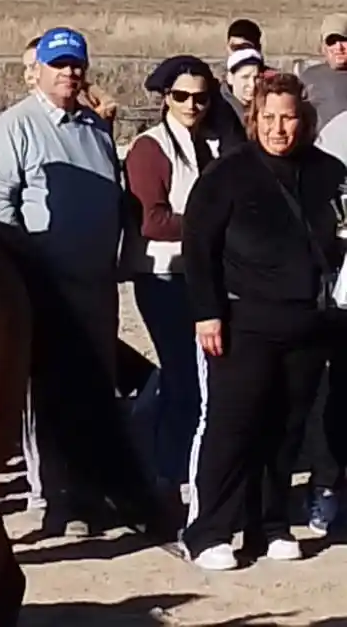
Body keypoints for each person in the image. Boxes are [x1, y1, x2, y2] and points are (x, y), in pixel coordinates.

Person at [182, 72, 347, 571]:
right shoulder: (228, 173)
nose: (280, 129)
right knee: (234, 428)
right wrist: (207, 312)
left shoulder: (328, 172)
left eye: (290, 118)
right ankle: (209, 530)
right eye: (269, 118)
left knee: (287, 427)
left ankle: (270, 525)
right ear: (254, 119)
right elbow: (198, 247)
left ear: (306, 120)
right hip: (243, 321)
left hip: (309, 321)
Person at [0, 27, 123, 535]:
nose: (68, 73)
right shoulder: (13, 127)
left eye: (75, 64)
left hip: (98, 284)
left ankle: (92, 487)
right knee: (52, 393)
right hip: (45, 286)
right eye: (58, 64)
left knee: (95, 389)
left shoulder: (95, 128)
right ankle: (59, 498)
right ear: (36, 69)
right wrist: (27, 274)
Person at [122, 56, 242, 503]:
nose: (192, 105)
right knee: (183, 376)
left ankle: (159, 452)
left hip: (200, 272)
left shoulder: (212, 142)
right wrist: (210, 224)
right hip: (163, 274)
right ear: (164, 98)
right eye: (181, 96)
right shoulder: (150, 148)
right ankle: (168, 472)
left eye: (201, 97)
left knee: (193, 376)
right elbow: (151, 220)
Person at [298, 13, 347, 134]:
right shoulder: (309, 78)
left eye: (344, 40)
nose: (339, 47)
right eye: (332, 42)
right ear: (323, 47)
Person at [222, 47, 263, 122]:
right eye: (245, 77)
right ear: (230, 78)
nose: (252, 84)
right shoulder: (219, 113)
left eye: (257, 77)